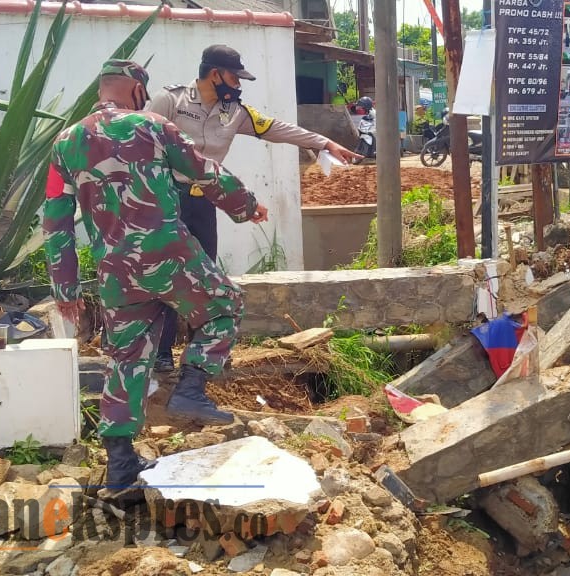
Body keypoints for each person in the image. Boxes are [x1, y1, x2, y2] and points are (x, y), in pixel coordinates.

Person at [43, 60, 269, 491]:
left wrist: (65, 288)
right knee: (225, 305)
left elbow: (55, 220)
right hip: (168, 253)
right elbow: (204, 171)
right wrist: (245, 206)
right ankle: (192, 386)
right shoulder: (152, 126)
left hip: (114, 270)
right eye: (142, 91)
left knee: (127, 357)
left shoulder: (65, 142)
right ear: (134, 89)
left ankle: (122, 465)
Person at [146, 45, 360, 373]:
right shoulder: (170, 100)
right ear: (215, 74)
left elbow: (276, 128)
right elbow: (140, 142)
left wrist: (323, 143)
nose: (238, 84)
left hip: (204, 199)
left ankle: (202, 354)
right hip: (167, 200)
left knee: (205, 276)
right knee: (167, 274)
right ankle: (160, 354)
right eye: (234, 77)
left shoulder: (234, 112)